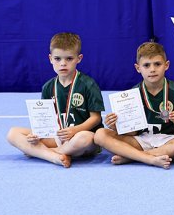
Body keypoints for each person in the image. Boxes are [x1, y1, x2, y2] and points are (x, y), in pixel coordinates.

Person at [7, 32, 104, 168]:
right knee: (13, 133)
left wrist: (75, 130)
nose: (63, 63)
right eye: (57, 59)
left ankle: (43, 152)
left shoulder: (88, 85)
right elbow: (45, 121)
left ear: (79, 58)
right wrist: (36, 135)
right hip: (58, 137)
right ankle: (55, 156)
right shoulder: (48, 87)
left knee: (84, 138)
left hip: (82, 138)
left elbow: (96, 118)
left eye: (69, 58)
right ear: (50, 59)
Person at [94, 42, 174, 169]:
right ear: (138, 68)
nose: (152, 69)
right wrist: (116, 126)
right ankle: (148, 158)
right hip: (140, 140)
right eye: (146, 65)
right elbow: (132, 132)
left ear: (166, 65)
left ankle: (132, 156)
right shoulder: (132, 94)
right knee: (100, 135)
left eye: (157, 64)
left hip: (168, 140)